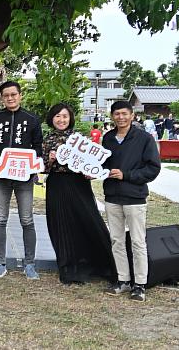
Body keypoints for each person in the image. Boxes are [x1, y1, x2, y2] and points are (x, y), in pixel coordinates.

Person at [43, 103, 116, 284]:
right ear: (52, 118)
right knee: (60, 223)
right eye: (58, 116)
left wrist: (89, 172)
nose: (61, 120)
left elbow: (91, 166)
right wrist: (50, 160)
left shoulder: (79, 139)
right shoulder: (47, 139)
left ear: (71, 118)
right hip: (57, 184)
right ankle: (69, 268)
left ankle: (103, 265)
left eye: (65, 116)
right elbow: (42, 168)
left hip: (78, 184)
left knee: (88, 219)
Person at [0, 81, 43, 280]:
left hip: (23, 177)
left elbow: (38, 148)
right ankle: (0, 262)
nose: (10, 98)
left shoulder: (32, 119)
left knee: (27, 219)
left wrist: (34, 168)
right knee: (0, 219)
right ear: (1, 97)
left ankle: (30, 264)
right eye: (6, 95)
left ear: (20, 95)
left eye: (13, 94)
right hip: (0, 176)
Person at [102, 100, 161, 302]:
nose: (121, 117)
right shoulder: (108, 138)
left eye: (124, 114)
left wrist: (126, 175)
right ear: (112, 116)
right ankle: (123, 280)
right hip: (112, 197)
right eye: (116, 114)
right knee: (116, 240)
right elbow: (102, 164)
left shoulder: (144, 138)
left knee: (137, 241)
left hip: (135, 197)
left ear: (132, 115)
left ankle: (140, 284)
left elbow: (153, 168)